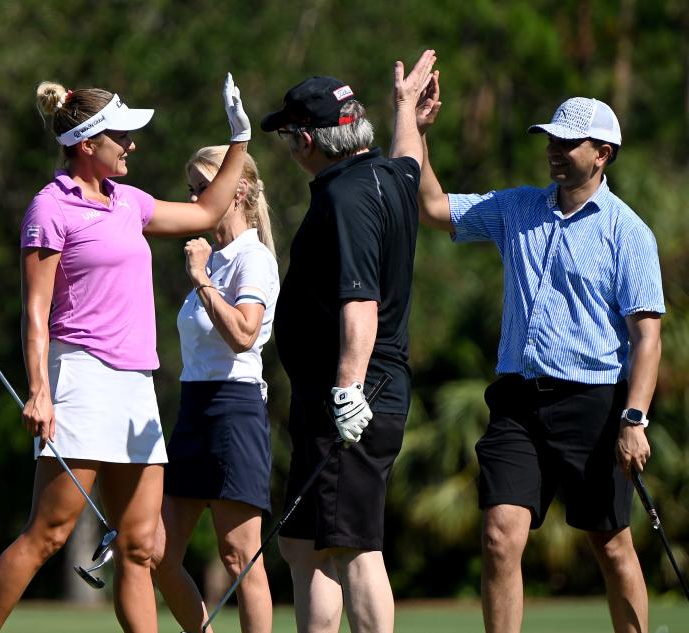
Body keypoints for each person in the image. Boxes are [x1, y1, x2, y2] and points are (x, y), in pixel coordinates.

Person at [0, 75, 251, 633]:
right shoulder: (50, 208)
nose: (131, 145)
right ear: (86, 144)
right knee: (48, 534)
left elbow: (204, 213)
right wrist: (39, 391)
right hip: (79, 377)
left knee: (142, 545)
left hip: (134, 386)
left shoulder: (128, 202)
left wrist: (239, 138)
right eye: (120, 136)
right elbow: (36, 311)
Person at [413, 80, 664, 632]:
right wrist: (420, 134)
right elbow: (432, 207)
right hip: (517, 402)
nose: (554, 149)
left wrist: (634, 418)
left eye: (568, 142)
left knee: (611, 545)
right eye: (550, 139)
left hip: (595, 406)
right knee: (501, 535)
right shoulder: (516, 208)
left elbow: (646, 338)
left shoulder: (629, 232)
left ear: (602, 154)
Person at [260, 50, 436, 633]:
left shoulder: (343, 196)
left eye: (290, 137)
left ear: (308, 141)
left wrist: (347, 391)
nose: (290, 150)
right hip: (344, 393)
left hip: (354, 396)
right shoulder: (391, 176)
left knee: (355, 547)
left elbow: (358, 301)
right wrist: (406, 109)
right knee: (303, 543)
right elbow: (411, 154)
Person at [151, 146, 279, 633]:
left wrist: (203, 280)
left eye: (202, 188)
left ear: (236, 190)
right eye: (192, 189)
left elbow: (244, 334)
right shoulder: (215, 256)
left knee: (240, 557)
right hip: (193, 409)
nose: (193, 198)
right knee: (157, 555)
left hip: (235, 407)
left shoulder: (253, 260)